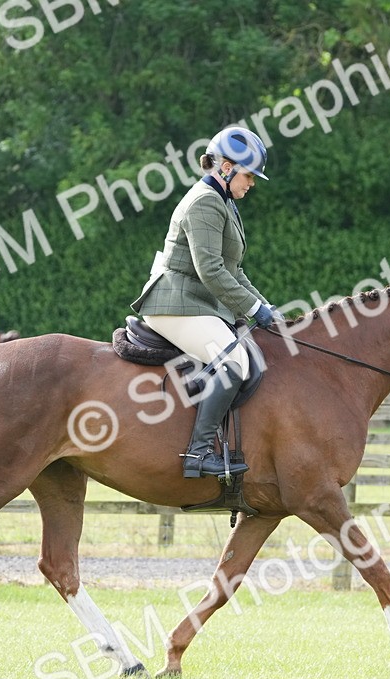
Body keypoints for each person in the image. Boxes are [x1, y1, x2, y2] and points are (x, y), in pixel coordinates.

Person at [130, 126, 281, 479]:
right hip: (175, 303)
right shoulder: (205, 202)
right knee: (234, 360)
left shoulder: (224, 202)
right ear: (227, 168)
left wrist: (265, 307)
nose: (252, 183)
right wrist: (253, 309)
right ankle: (198, 454)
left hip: (196, 302)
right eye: (248, 175)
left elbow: (233, 270)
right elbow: (211, 270)